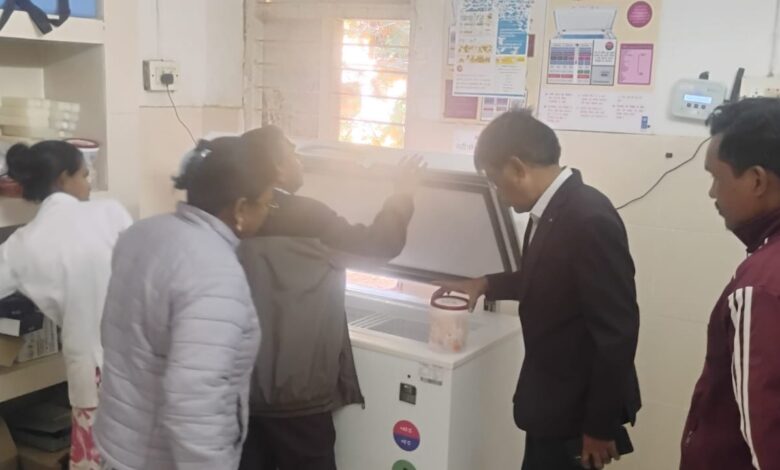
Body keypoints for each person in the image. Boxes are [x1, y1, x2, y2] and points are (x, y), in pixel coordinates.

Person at [433, 110, 640, 470]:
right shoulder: (553, 210)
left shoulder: (587, 218)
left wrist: (598, 427)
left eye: (496, 182)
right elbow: (547, 278)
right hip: (552, 403)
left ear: (517, 167)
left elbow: (617, 334)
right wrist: (485, 284)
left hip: (577, 414)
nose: (499, 195)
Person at [237, 126, 424, 470]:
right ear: (277, 168)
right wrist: (402, 195)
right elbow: (379, 244)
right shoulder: (309, 216)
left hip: (241, 394)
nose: (300, 163)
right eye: (293, 155)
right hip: (299, 397)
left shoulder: (232, 215)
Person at [94, 136, 277, 470]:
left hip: (121, 441)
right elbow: (195, 399)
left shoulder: (143, 233)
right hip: (161, 458)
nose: (267, 212)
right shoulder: (215, 272)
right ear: (240, 208)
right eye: (267, 203)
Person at [0, 141, 133, 470]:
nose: (89, 184)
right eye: (84, 175)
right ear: (63, 178)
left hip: (90, 371)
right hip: (138, 360)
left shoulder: (21, 244)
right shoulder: (110, 212)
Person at [680, 97, 780, 470]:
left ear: (756, 180)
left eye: (717, 178)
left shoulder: (760, 286)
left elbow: (766, 438)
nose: (712, 193)